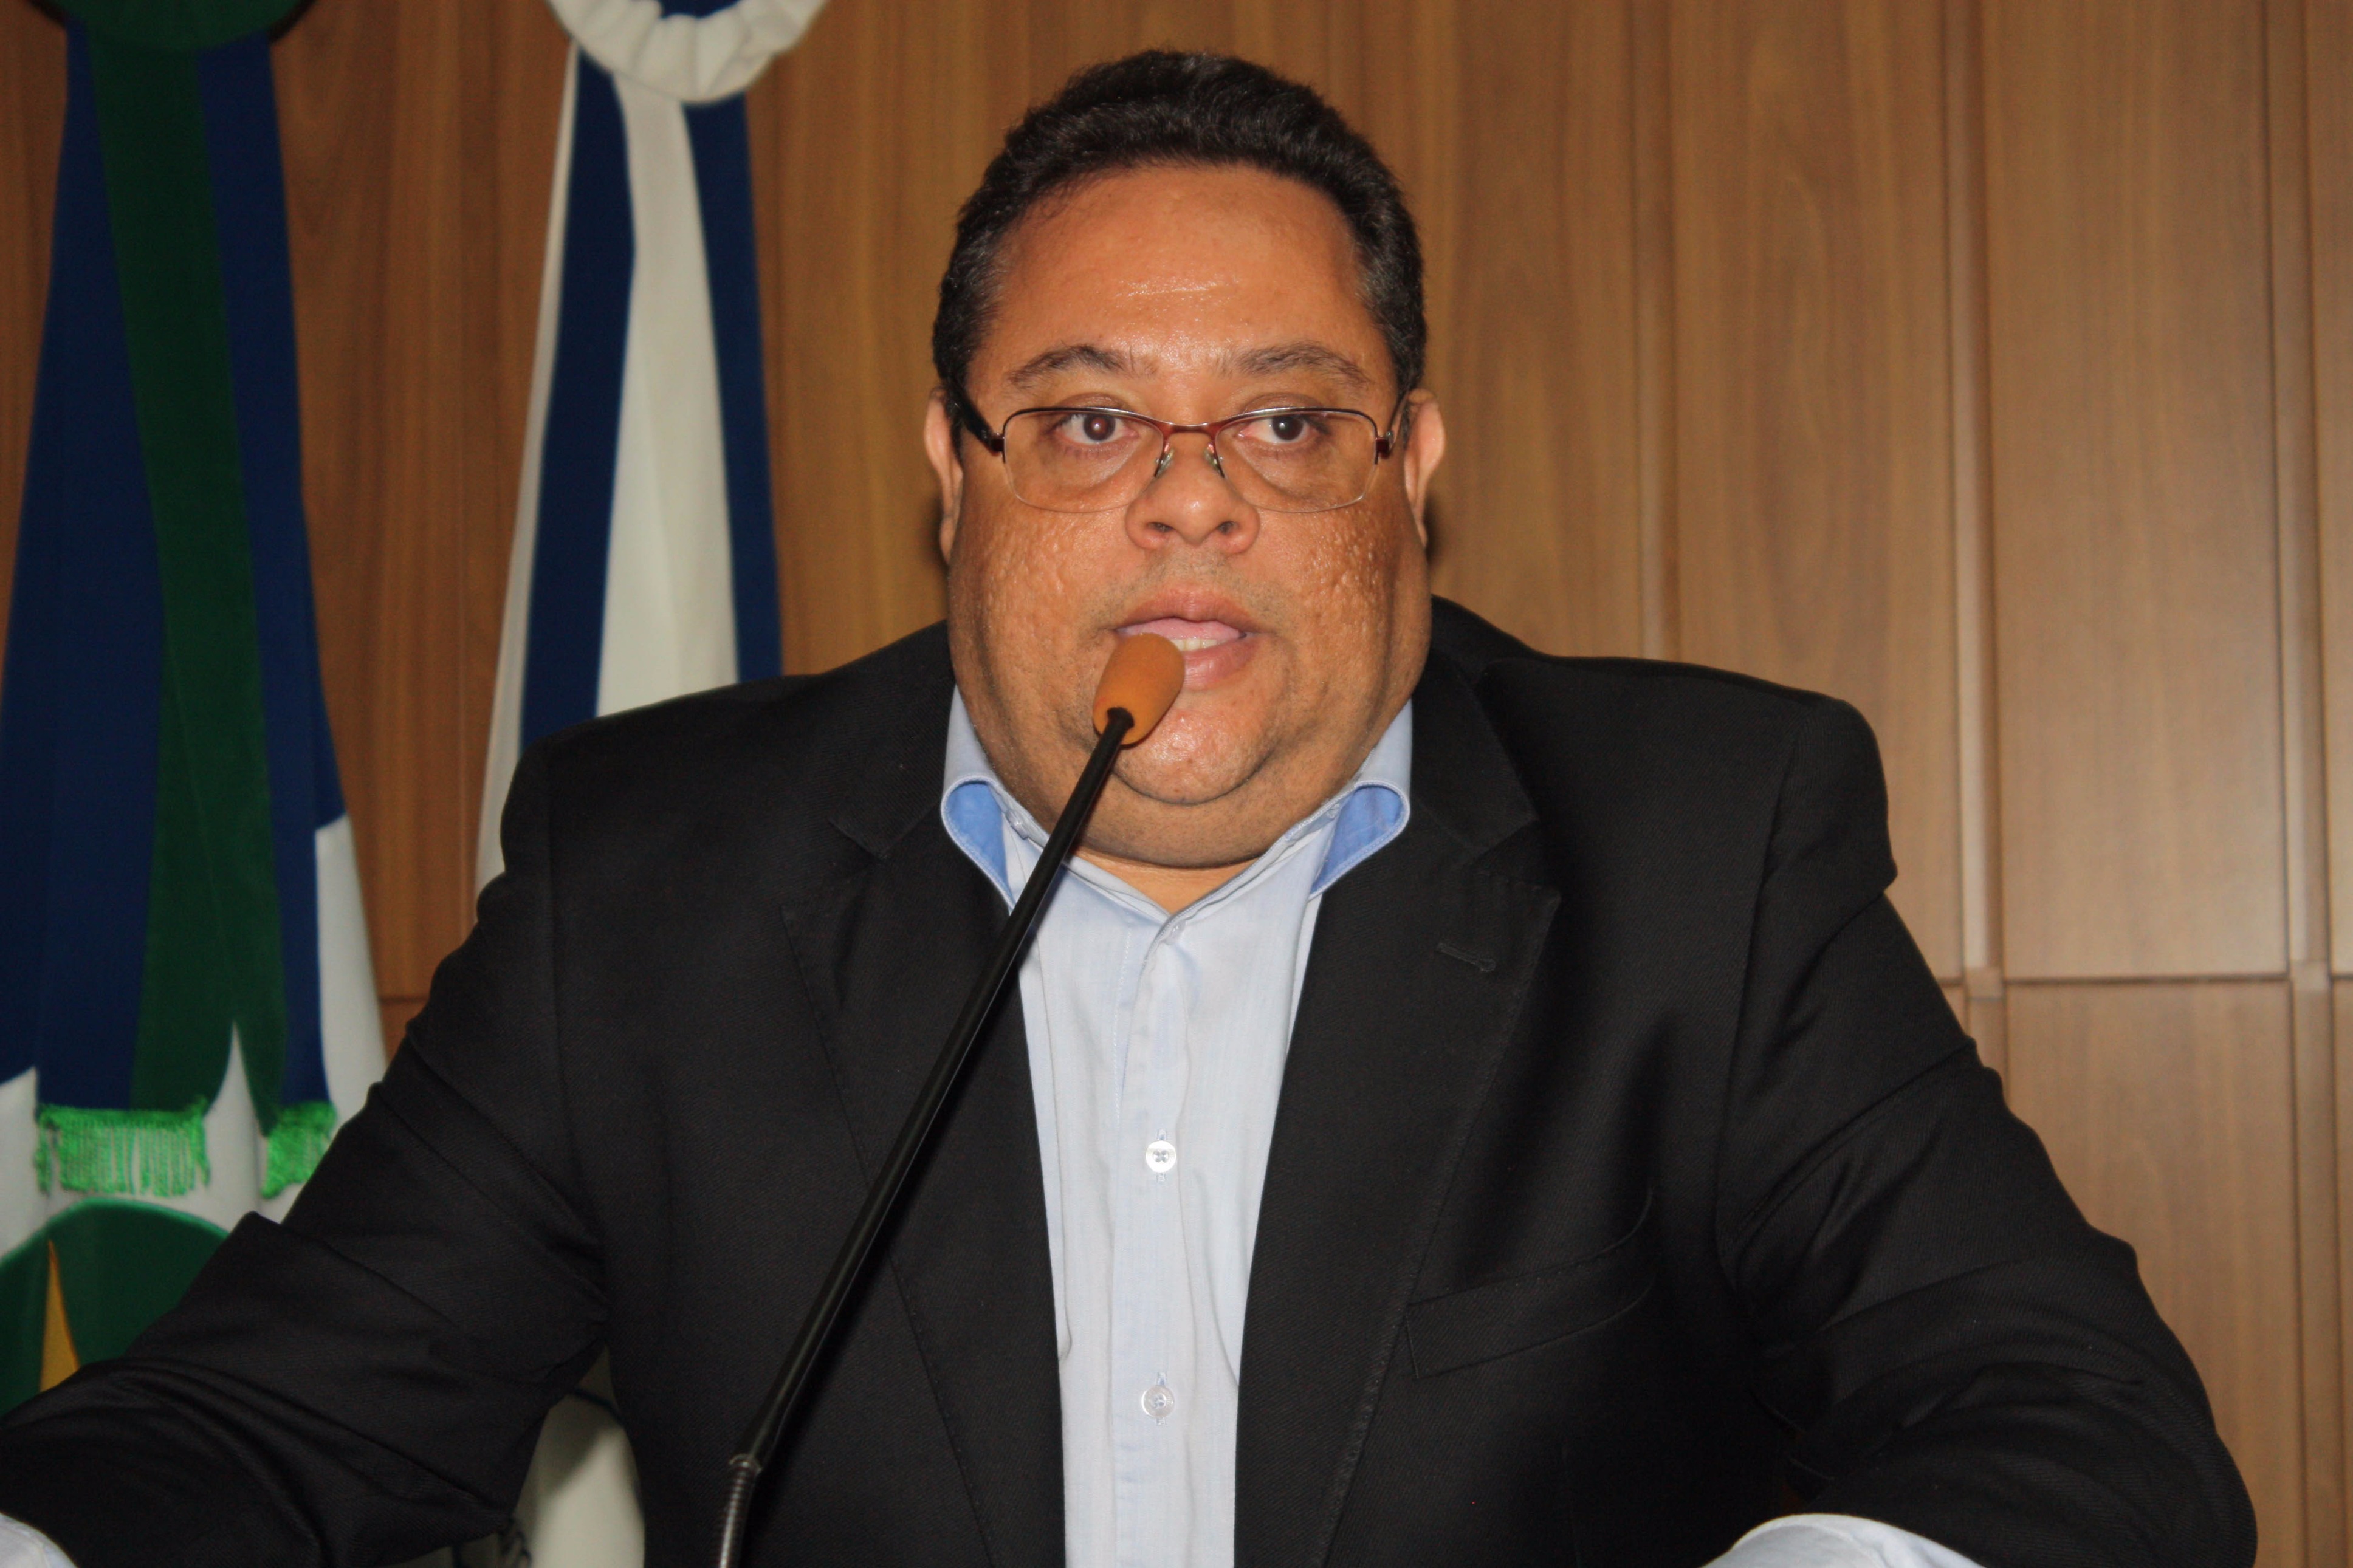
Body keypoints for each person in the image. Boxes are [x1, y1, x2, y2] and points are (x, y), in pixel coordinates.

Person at [0, 50, 2253, 1568]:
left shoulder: (1699, 851)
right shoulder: (658, 882)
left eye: (1285, 424)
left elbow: (2076, 1428)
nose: (1190, 504)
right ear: (951, 468)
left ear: (1411, 468)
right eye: (1087, 425)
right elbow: (268, 1428)